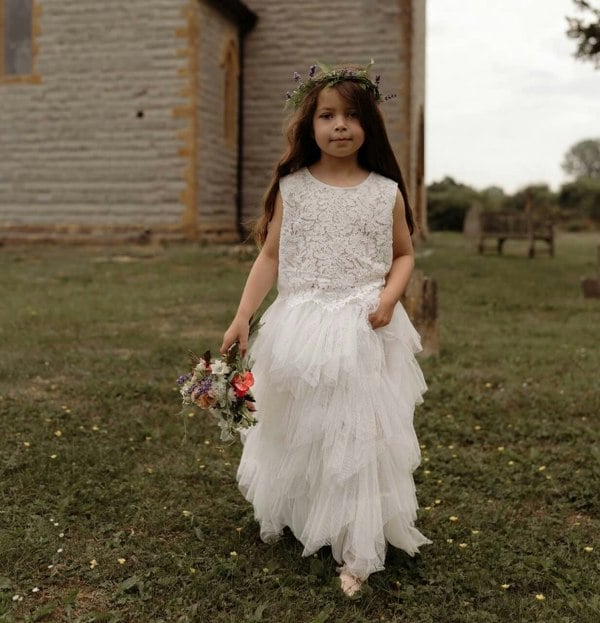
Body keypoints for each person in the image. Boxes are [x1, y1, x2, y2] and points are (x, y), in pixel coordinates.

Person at [220, 61, 431, 597]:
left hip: (363, 322)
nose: (340, 126)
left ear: (369, 127)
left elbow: (404, 255)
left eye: (352, 116)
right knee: (302, 424)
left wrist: (388, 299)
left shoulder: (385, 191)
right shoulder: (294, 187)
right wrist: (243, 314)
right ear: (309, 126)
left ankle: (360, 545)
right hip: (300, 321)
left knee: (358, 432)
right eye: (328, 115)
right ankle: (306, 513)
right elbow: (270, 256)